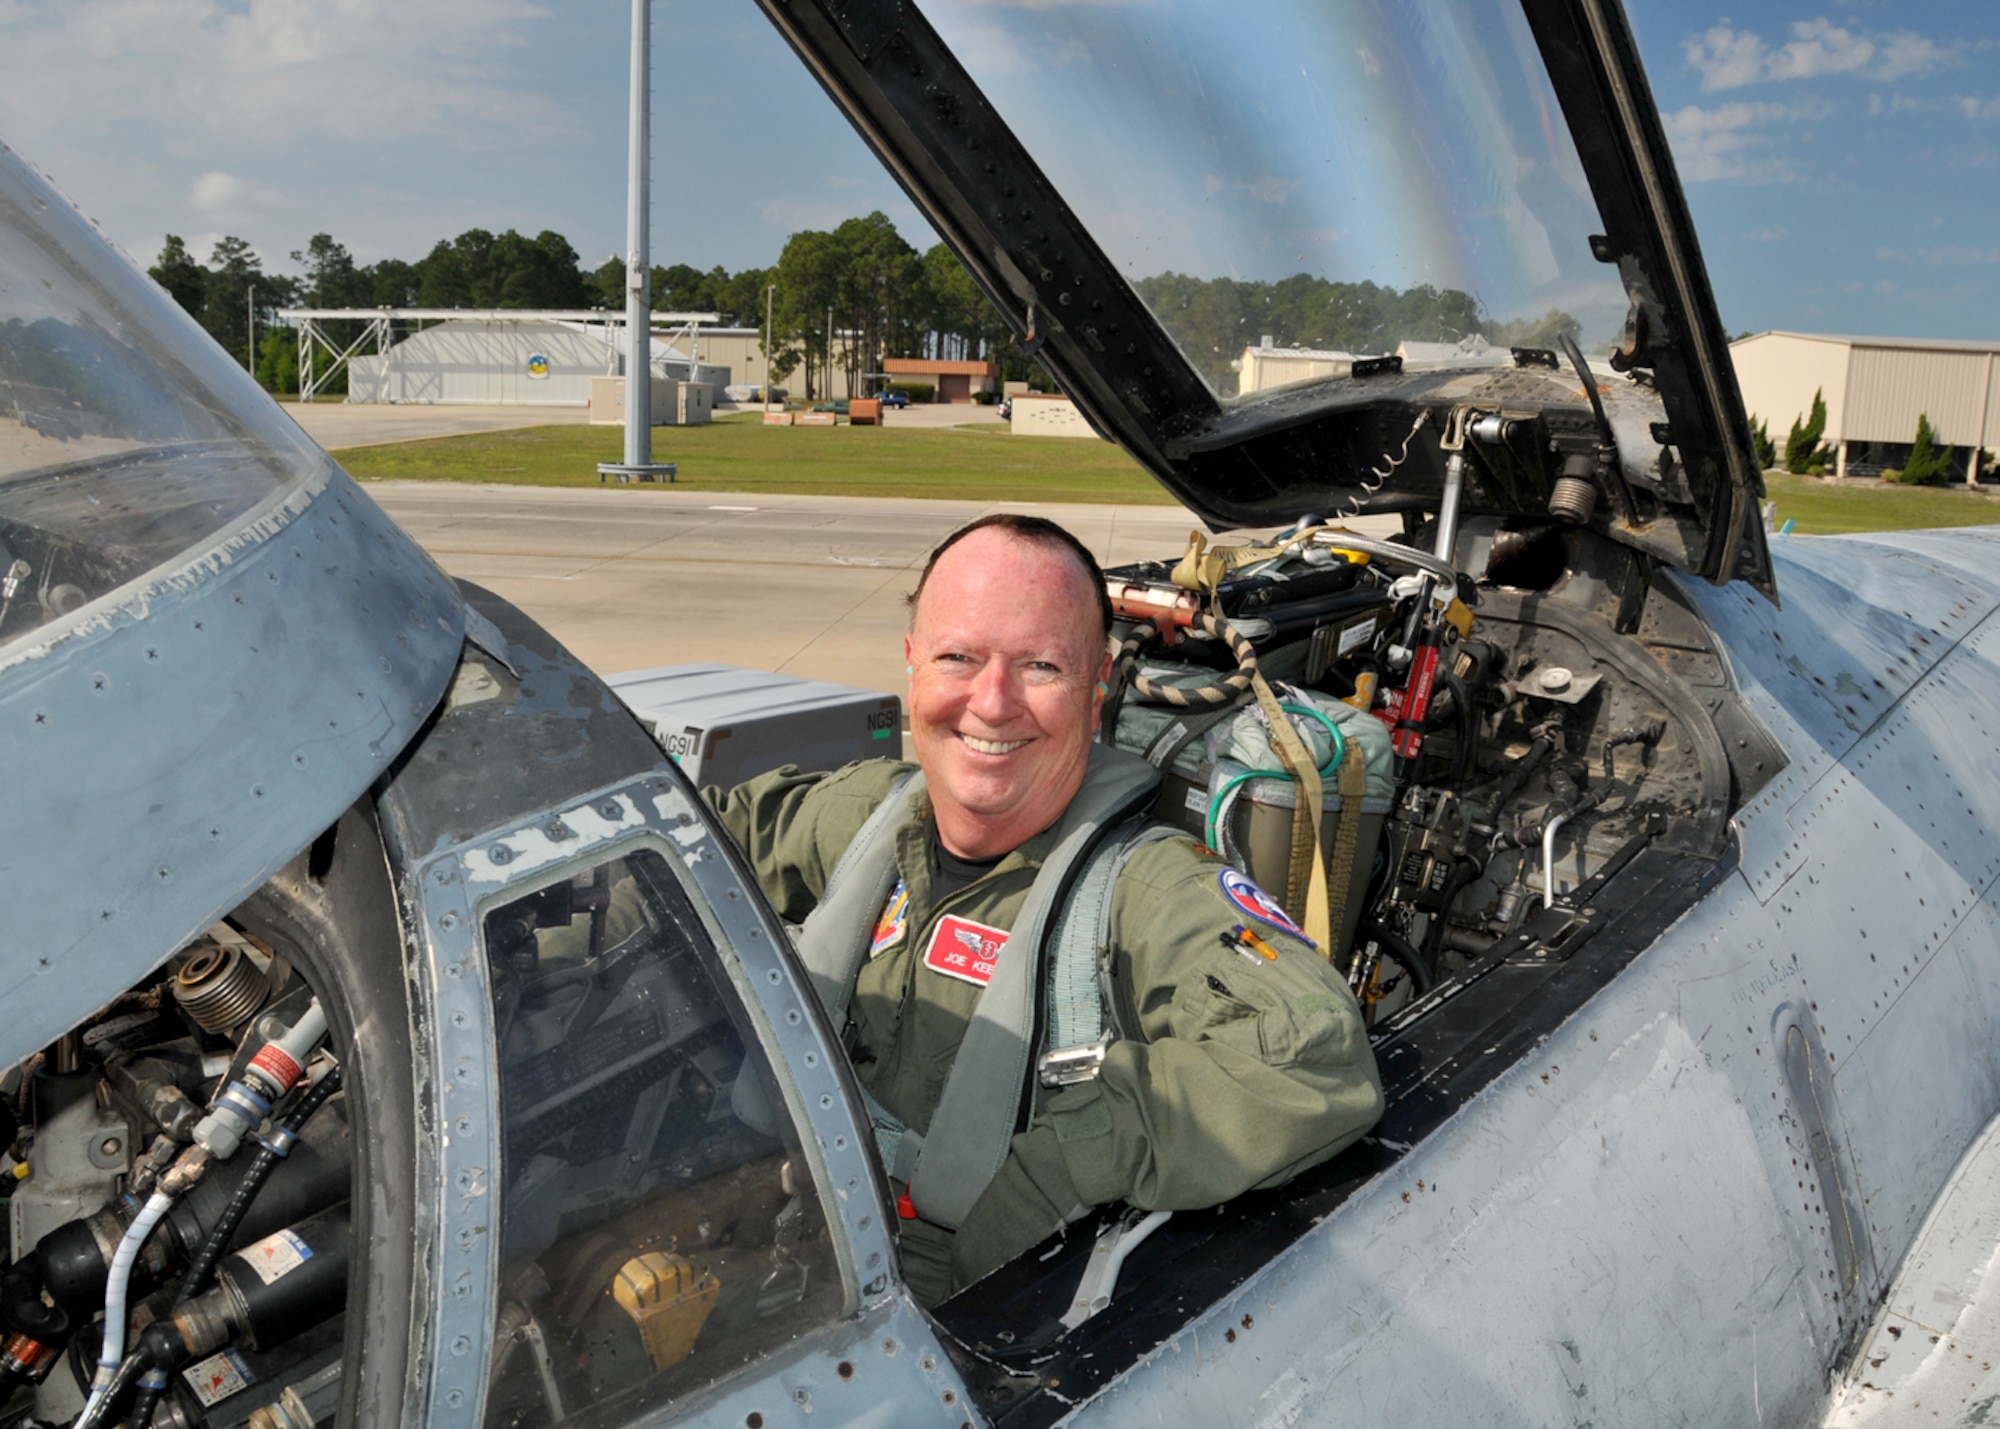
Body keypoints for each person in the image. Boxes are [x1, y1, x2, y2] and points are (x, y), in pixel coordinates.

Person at [706, 514, 1383, 1307]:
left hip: (933, 1310)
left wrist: (1054, 1174)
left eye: (1041, 666)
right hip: (778, 1232)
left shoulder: (1144, 890)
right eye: (958, 656)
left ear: (1096, 688)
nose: (992, 704)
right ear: (913, 664)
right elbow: (702, 838)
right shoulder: (869, 815)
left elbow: (1316, 1055)